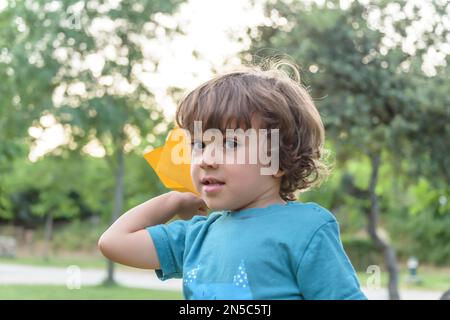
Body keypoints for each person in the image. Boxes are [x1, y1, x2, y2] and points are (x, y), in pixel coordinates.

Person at [98, 61, 367, 300]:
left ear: (278, 158)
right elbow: (114, 242)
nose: (206, 159)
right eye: (199, 144)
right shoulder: (198, 236)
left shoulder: (307, 228)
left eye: (230, 143)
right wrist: (174, 200)